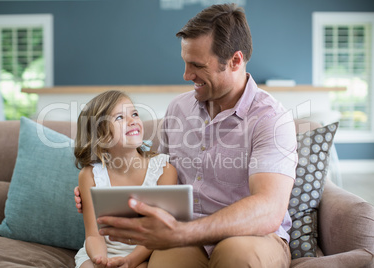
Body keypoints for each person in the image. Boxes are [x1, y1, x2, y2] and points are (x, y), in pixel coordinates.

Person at [75, 4, 297, 267]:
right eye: (185, 62)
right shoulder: (178, 109)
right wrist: (102, 194)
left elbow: (269, 209)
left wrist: (184, 232)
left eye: (197, 65)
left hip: (251, 236)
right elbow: (154, 174)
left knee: (237, 256)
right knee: (166, 262)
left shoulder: (271, 119)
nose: (186, 75)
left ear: (235, 61)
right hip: (184, 239)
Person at [73, 90, 177, 268]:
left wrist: (131, 261)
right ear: (101, 135)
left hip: (143, 253)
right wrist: (101, 260)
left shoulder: (164, 170)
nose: (132, 121)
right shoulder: (90, 175)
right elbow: (93, 235)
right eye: (120, 117)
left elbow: (159, 231)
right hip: (101, 251)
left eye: (134, 114)